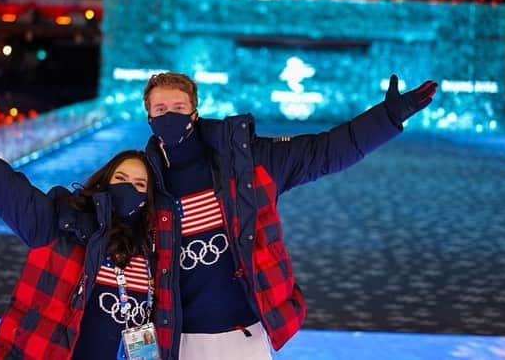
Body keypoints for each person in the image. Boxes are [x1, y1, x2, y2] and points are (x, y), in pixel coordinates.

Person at [142, 72, 438, 360]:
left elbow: (325, 151)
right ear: (149, 118)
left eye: (179, 108)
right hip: (176, 338)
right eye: (161, 109)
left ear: (195, 113)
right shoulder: (143, 180)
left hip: (244, 333)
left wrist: (387, 117)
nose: (170, 116)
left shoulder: (246, 161)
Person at [0, 110, 158, 360]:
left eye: (139, 185)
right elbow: (3, 186)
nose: (128, 189)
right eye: (121, 179)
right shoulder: (63, 224)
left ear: (148, 198)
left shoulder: (153, 248)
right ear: (104, 183)